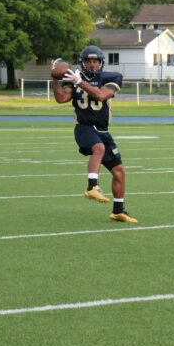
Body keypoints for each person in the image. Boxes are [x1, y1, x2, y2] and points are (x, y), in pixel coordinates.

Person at [52, 46, 137, 223]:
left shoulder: (111, 77)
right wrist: (55, 78)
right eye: (89, 61)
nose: (93, 65)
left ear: (101, 63)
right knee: (98, 148)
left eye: (96, 61)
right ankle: (92, 186)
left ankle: (118, 211)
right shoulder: (74, 78)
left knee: (119, 171)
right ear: (82, 63)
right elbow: (61, 98)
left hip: (103, 131)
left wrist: (79, 81)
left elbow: (101, 95)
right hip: (84, 127)